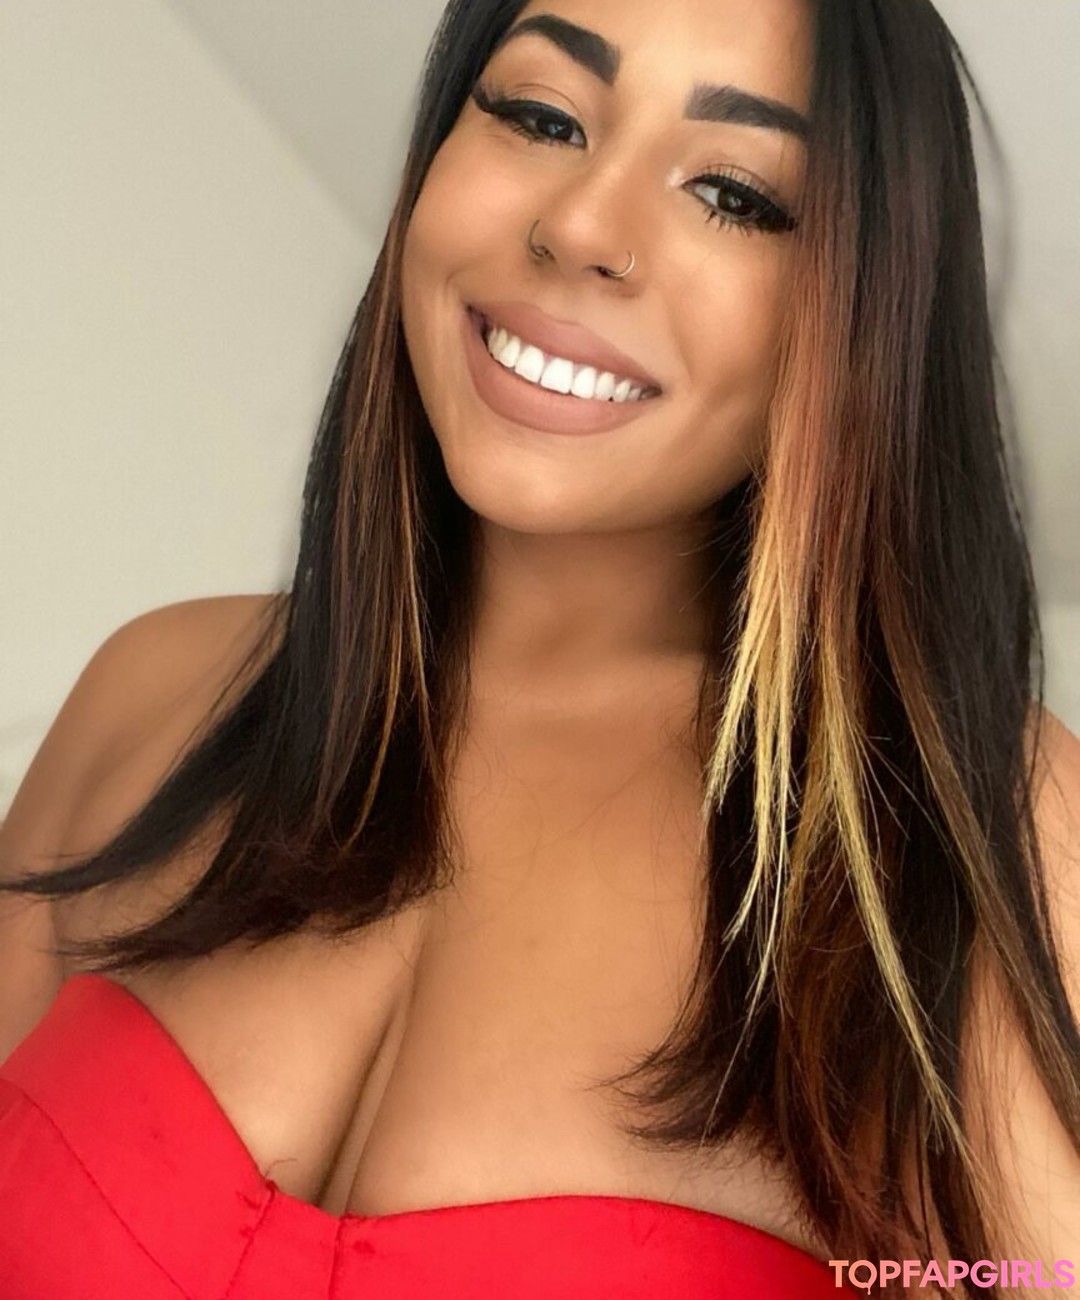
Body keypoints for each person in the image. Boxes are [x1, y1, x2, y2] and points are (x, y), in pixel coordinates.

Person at [0, 0, 1077, 1296]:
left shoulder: (978, 843)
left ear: (865, 318)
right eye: (540, 116)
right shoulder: (153, 696)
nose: (581, 226)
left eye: (734, 194)